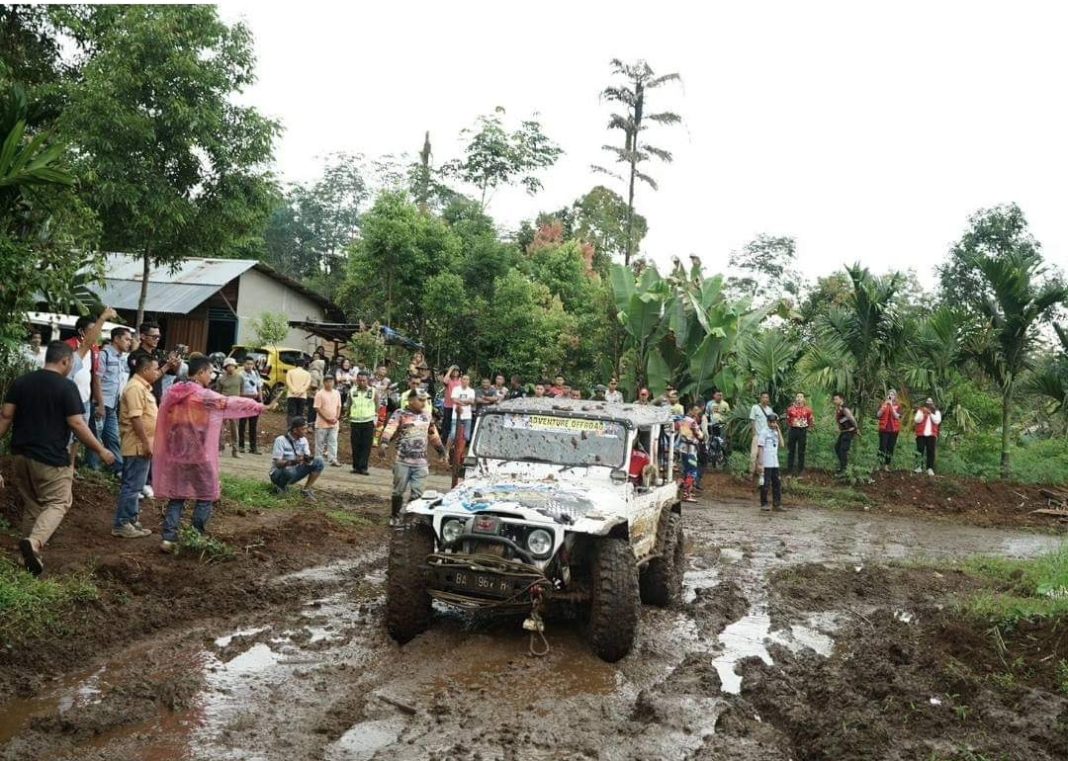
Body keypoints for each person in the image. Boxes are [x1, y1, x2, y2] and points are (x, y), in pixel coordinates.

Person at [1, 341, 116, 575]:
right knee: (59, 501)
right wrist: (100, 450)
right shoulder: (66, 387)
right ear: (65, 361)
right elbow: (76, 424)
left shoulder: (21, 382)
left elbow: (5, 416)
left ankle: (27, 559)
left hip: (20, 455)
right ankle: (35, 543)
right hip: (50, 458)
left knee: (34, 505)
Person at [155, 356, 264, 553]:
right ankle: (195, 535)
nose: (211, 376)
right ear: (200, 373)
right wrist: (257, 406)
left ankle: (168, 538)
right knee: (206, 495)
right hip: (197, 455)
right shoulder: (203, 396)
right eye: (209, 372)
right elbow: (229, 402)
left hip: (176, 454)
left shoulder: (173, 391)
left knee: (177, 497)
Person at [113, 355, 161, 538]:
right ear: (145, 370)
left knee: (137, 485)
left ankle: (131, 519)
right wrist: (145, 441)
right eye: (156, 369)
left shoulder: (143, 388)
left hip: (143, 444)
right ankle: (122, 523)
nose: (157, 372)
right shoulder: (134, 388)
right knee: (132, 486)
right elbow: (136, 418)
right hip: (137, 445)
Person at [380, 391, 445, 524]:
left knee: (417, 493)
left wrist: (441, 451)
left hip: (421, 462)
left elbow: (433, 434)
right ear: (410, 400)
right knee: (398, 491)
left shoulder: (427, 416)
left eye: (425, 400)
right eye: (420, 400)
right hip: (403, 460)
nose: (424, 403)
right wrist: (384, 443)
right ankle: (395, 515)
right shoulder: (400, 413)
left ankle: (409, 516)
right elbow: (390, 428)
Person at [92, 326, 132, 475]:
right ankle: (93, 468)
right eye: (126, 339)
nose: (129, 342)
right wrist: (100, 404)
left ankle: (118, 469)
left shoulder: (121, 358)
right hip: (102, 403)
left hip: (113, 404)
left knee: (112, 437)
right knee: (95, 436)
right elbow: (97, 380)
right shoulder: (105, 354)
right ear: (116, 339)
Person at [270, 416, 325, 497]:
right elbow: (277, 463)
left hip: (294, 471)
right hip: (278, 474)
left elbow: (307, 458)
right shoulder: (281, 440)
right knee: (289, 469)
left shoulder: (304, 440)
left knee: (319, 461)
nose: (306, 431)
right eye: (303, 429)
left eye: (306, 428)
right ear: (295, 430)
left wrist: (308, 459)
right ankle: (281, 487)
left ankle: (306, 490)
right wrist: (293, 461)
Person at [127, 321, 179, 403]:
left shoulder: (157, 355)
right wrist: (167, 365)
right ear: (143, 336)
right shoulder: (136, 356)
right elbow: (148, 378)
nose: (157, 339)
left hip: (156, 400)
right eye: (154, 337)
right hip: (140, 400)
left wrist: (175, 363)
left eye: (159, 337)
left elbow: (172, 372)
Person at [349, 371, 377, 475]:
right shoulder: (352, 391)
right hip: (355, 421)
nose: (361, 382)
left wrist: (374, 416)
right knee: (355, 445)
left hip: (368, 421)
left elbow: (377, 404)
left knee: (366, 445)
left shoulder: (373, 391)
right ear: (356, 380)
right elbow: (349, 404)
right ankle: (356, 467)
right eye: (359, 380)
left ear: (367, 381)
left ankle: (363, 467)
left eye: (364, 380)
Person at [216, 357, 245, 458]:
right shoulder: (221, 379)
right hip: (224, 404)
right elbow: (218, 393)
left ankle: (235, 450)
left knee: (234, 428)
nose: (230, 368)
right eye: (228, 366)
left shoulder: (240, 378)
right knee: (221, 428)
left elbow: (241, 391)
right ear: (225, 367)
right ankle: (220, 448)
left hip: (235, 405)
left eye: (232, 365)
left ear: (235, 366)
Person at [757, 412, 785, 512]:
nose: (773, 424)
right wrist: (760, 463)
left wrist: (779, 430)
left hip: (774, 462)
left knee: (777, 483)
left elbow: (782, 444)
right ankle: (764, 503)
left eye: (774, 422)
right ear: (768, 422)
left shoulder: (776, 432)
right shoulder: (764, 432)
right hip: (766, 461)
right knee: (766, 483)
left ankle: (777, 504)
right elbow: (760, 447)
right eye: (771, 422)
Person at [314, 374, 343, 467]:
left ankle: (333, 459)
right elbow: (317, 408)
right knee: (320, 442)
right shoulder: (320, 393)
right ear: (324, 383)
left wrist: (337, 417)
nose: (329, 383)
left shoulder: (336, 393)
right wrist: (326, 418)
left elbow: (339, 406)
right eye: (327, 381)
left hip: (334, 422)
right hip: (322, 423)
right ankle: (318, 459)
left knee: (333, 441)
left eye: (331, 381)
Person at [678, 406, 705, 503]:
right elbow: (700, 435)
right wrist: (701, 436)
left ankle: (684, 491)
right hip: (691, 449)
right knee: (692, 471)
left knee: (686, 470)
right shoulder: (692, 422)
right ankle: (686, 494)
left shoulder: (682, 420)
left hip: (683, 448)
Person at [785, 392, 815, 476]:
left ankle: (800, 471)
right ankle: (789, 471)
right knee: (791, 451)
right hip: (793, 430)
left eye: (801, 397)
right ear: (795, 398)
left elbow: (811, 420)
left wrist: (809, 428)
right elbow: (787, 420)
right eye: (797, 396)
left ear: (804, 399)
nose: (799, 398)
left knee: (801, 451)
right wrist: (791, 426)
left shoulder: (808, 410)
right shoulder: (790, 409)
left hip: (802, 431)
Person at [238, 357, 264, 454]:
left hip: (255, 401)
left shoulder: (255, 373)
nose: (249, 366)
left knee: (253, 424)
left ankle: (253, 447)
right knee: (242, 423)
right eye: (247, 364)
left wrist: (260, 400)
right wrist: (248, 396)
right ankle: (241, 446)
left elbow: (259, 386)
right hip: (244, 400)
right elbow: (239, 391)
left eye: (251, 364)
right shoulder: (240, 375)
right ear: (243, 364)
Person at [876, 389, 904, 471]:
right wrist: (884, 406)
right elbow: (878, 414)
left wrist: (891, 406)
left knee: (890, 447)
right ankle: (879, 464)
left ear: (895, 396)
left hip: (893, 430)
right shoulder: (883, 404)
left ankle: (886, 465)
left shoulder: (898, 406)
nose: (891, 396)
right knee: (882, 446)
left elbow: (897, 416)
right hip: (884, 429)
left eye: (892, 394)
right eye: (889, 394)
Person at [914, 398, 942, 476]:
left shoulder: (936, 412)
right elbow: (916, 420)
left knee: (931, 451)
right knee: (920, 450)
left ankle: (929, 468)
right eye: (927, 404)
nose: (929, 405)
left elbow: (937, 421)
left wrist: (930, 414)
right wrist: (923, 414)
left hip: (932, 434)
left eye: (931, 404)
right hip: (921, 434)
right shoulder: (920, 411)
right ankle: (918, 466)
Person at [832, 393, 858, 474]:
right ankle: (843, 466)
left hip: (849, 432)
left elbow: (852, 419)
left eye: (836, 399)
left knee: (843, 450)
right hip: (843, 432)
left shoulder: (845, 408)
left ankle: (844, 469)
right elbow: (840, 420)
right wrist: (838, 428)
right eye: (834, 399)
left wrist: (856, 428)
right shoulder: (839, 409)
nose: (834, 401)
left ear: (841, 399)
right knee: (837, 448)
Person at [749, 392, 774, 475]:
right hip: (757, 435)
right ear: (760, 398)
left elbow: (771, 423)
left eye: (767, 397)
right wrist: (753, 433)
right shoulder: (755, 407)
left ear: (768, 399)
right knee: (753, 455)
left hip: (766, 436)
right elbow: (752, 421)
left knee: (762, 456)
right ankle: (751, 472)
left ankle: (760, 473)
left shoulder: (770, 410)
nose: (765, 399)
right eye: (763, 397)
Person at [449, 374, 476, 446]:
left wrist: (460, 401)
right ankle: (447, 450)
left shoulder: (471, 391)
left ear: (469, 381)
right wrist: (466, 402)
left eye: (467, 379)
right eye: (464, 379)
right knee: (453, 434)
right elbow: (454, 399)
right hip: (456, 415)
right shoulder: (456, 389)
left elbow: (472, 401)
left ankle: (460, 453)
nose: (465, 381)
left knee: (466, 436)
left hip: (467, 416)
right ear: (461, 380)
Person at [438, 365, 462, 445]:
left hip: (457, 406)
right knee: (446, 423)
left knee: (455, 424)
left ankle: (454, 441)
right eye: (453, 371)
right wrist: (450, 369)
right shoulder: (449, 380)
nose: (455, 373)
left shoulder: (460, 381)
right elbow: (444, 381)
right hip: (448, 405)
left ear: (459, 372)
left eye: (456, 371)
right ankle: (444, 440)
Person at [307, 357, 325, 425]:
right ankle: (310, 424)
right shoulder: (315, 373)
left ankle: (313, 423)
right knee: (312, 410)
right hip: (313, 395)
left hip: (316, 395)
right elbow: (314, 385)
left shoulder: (319, 372)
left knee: (314, 410)